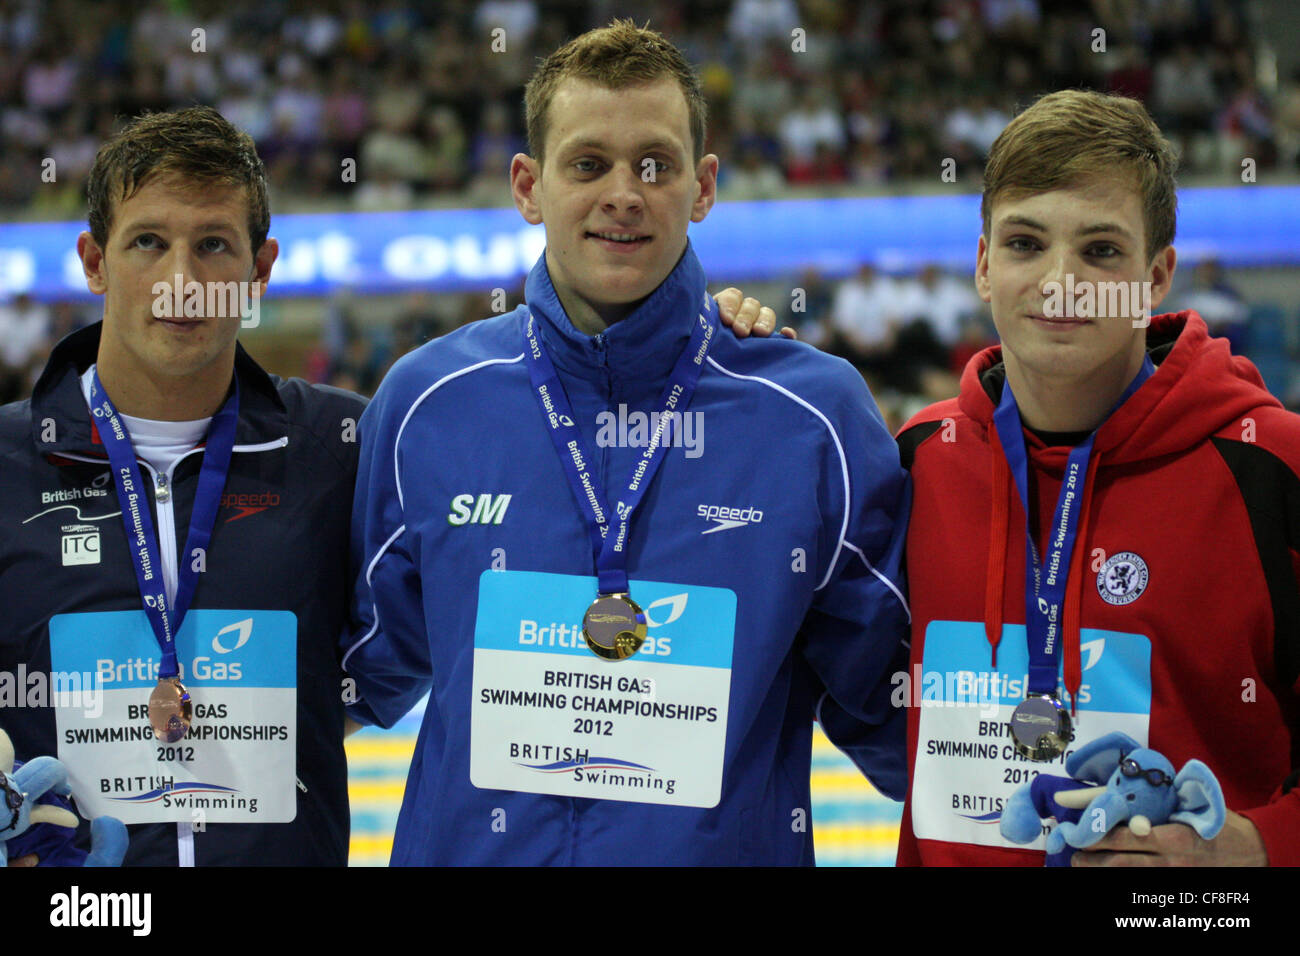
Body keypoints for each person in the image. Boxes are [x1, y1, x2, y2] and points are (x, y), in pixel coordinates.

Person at [340, 20, 911, 866]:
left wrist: (1076, 803)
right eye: (587, 164)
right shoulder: (427, 405)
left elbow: (897, 711)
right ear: (528, 186)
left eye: (654, 163)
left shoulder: (808, 420)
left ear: (703, 185)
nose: (623, 193)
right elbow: (352, 669)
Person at [889, 89, 1297, 865]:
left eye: (1102, 251)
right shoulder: (919, 459)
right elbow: (854, 694)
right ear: (983, 266)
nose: (1061, 279)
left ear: (1157, 275)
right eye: (1024, 243)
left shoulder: (1273, 469)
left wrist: (1256, 847)